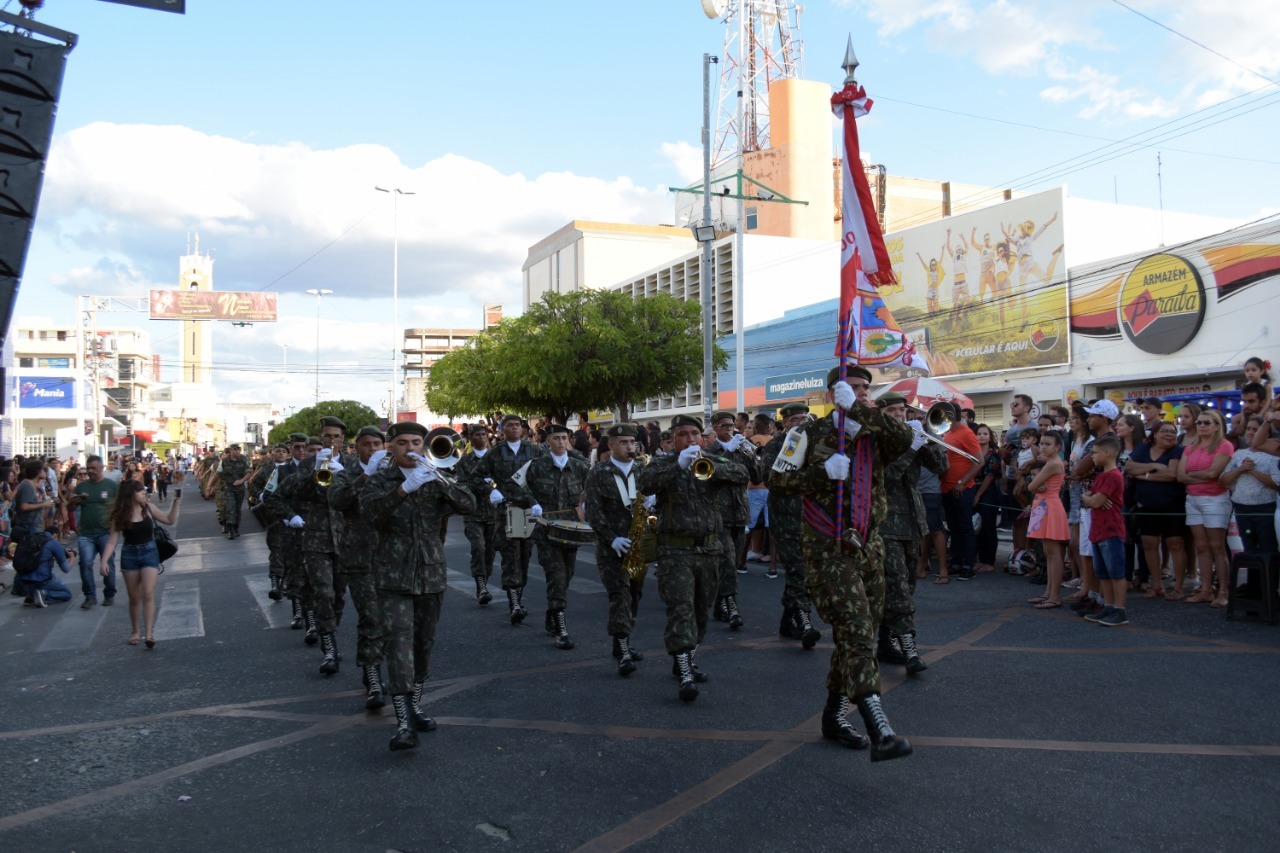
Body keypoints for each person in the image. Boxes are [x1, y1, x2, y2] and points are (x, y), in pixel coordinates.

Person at [768, 366, 914, 761]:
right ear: (832, 394)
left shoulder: (875, 431)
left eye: (865, 388)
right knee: (856, 629)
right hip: (826, 546)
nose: (861, 392)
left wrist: (863, 412)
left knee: (857, 635)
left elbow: (905, 439)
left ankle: (834, 716)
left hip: (869, 544)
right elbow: (777, 481)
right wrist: (821, 473)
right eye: (852, 387)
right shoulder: (806, 434)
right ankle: (880, 727)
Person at [359, 421, 475, 751]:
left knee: (423, 644)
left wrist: (440, 480)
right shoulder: (380, 480)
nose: (410, 448)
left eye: (415, 442)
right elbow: (370, 513)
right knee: (398, 646)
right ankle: (403, 722)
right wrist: (403, 490)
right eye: (402, 443)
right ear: (390, 447)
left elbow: (469, 504)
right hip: (393, 576)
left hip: (431, 574)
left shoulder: (436, 475)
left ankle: (415, 706)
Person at [638, 414, 748, 702]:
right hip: (675, 551)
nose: (689, 439)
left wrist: (712, 466)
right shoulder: (662, 463)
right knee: (681, 609)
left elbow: (743, 474)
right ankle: (685, 670)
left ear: (702, 437)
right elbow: (645, 483)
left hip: (709, 550)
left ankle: (686, 656)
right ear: (673, 439)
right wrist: (678, 465)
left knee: (701, 611)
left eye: (694, 434)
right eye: (682, 434)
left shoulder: (711, 459)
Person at [877, 392, 945, 674]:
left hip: (913, 522)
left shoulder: (911, 437)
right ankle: (909, 648)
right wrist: (910, 450)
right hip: (886, 524)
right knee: (898, 589)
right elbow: (884, 478)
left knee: (906, 585)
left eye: (901, 410)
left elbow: (941, 467)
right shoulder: (876, 440)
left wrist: (926, 440)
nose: (898, 415)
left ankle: (885, 642)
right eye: (891, 411)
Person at [276, 417, 351, 672]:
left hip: (346, 539)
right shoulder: (309, 463)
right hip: (316, 539)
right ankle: (329, 648)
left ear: (342, 439)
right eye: (326, 436)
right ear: (321, 436)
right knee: (323, 593)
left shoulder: (351, 464)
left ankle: (331, 633)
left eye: (336, 436)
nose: (331, 441)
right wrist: (313, 472)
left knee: (338, 595)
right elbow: (286, 491)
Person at [506, 423, 590, 650]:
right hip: (546, 531)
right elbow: (515, 486)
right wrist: (532, 502)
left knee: (567, 575)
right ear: (547, 441)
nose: (561, 442)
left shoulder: (579, 465)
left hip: (570, 529)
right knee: (556, 576)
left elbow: (594, 488)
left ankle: (553, 611)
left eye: (564, 438)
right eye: (556, 438)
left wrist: (586, 506)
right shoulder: (537, 465)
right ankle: (561, 628)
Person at [329, 425, 390, 711]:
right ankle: (373, 675)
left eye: (377, 443)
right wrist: (366, 476)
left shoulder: (394, 471)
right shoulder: (346, 473)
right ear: (356, 448)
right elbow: (337, 500)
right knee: (371, 617)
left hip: (394, 555)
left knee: (395, 621)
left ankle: (390, 671)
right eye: (366, 444)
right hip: (360, 556)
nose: (373, 449)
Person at [584, 423, 652, 675]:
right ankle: (623, 649)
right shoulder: (598, 473)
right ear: (610, 444)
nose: (629, 447)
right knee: (620, 595)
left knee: (634, 594)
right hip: (611, 548)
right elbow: (594, 511)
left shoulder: (643, 469)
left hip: (638, 545)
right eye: (623, 442)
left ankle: (622, 641)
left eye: (632, 442)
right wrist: (611, 538)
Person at [470, 413, 546, 623]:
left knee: (524, 556)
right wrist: (490, 491)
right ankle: (514, 603)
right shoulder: (495, 453)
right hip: (507, 511)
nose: (515, 428)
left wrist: (541, 501)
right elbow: (475, 477)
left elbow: (545, 476)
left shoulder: (535, 450)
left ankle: (518, 599)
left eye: (518, 425)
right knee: (510, 556)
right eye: (510, 425)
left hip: (529, 510)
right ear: (502, 429)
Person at [761, 403, 822, 647]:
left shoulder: (815, 444)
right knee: (798, 570)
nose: (800, 424)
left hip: (812, 516)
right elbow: (769, 479)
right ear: (784, 423)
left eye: (803, 419)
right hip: (785, 516)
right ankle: (804, 621)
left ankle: (788, 620)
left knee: (804, 570)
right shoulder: (775, 446)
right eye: (794, 420)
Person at [99, 479, 181, 648]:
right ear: (130, 494)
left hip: (149, 552)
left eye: (143, 490)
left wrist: (175, 503)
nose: (144, 492)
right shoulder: (121, 514)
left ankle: (149, 634)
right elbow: (112, 541)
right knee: (134, 597)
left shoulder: (148, 508)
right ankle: (135, 631)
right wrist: (104, 561)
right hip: (129, 554)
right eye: (139, 491)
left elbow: (169, 520)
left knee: (148, 593)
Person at [705, 410, 763, 630]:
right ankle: (731, 605)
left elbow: (757, 477)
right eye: (724, 426)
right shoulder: (708, 452)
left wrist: (750, 455)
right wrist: (729, 454)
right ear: (714, 428)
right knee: (727, 560)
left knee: (733, 561)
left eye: (731, 425)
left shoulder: (741, 448)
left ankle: (720, 604)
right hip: (718, 514)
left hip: (739, 512)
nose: (729, 429)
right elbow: (717, 475)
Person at [1176, 409, 1234, 607]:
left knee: (1217, 546)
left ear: (1217, 426)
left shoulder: (1224, 445)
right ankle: (1206, 589)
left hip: (1215, 498)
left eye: (1207, 422)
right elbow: (1180, 476)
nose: (1201, 426)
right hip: (1192, 498)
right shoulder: (1190, 448)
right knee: (1201, 546)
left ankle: (1223, 591)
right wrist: (1202, 475)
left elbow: (1213, 474)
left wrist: (1193, 474)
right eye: (1199, 422)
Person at [1126, 422, 1187, 599]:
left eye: (1173, 432)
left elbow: (1171, 475)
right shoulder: (1144, 449)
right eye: (1164, 431)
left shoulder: (1177, 451)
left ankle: (1179, 588)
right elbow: (1129, 467)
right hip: (1146, 505)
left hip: (1172, 504)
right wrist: (1154, 467)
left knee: (1175, 543)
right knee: (1149, 543)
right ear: (1154, 434)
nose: (1169, 434)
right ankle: (1157, 585)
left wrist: (1142, 475)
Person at [1081, 436, 1129, 626]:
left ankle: (1120, 609)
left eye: (1095, 453)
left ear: (1107, 453)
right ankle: (1108, 605)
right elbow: (1092, 498)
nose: (1092, 456)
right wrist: (1090, 498)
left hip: (1111, 529)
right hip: (1098, 529)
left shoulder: (1114, 476)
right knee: (1103, 573)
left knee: (1116, 572)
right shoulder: (1101, 476)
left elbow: (1095, 501)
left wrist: (1091, 498)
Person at [455, 424, 501, 606]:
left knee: (489, 551)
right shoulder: (464, 462)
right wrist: (483, 485)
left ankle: (484, 582)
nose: (482, 438)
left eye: (484, 434)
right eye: (477, 435)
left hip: (494, 512)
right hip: (474, 512)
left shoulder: (496, 458)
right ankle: (480, 585)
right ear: (470, 438)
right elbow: (462, 486)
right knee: (478, 547)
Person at [1220, 416, 1279, 554]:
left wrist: (1253, 471)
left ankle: (1268, 569)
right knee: (1249, 549)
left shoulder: (1274, 455)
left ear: (1266, 434)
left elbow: (1276, 483)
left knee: (1268, 548)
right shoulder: (1238, 454)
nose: (1251, 433)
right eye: (1248, 429)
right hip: (1241, 509)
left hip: (1265, 509)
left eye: (1255, 430)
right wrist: (1240, 469)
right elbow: (1223, 480)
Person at [1026, 431, 1069, 608]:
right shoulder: (1052, 462)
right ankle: (1049, 593)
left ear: (1057, 447)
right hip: (1045, 506)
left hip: (1049, 507)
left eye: (1047, 444)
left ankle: (1054, 595)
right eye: (1042, 443)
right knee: (1050, 553)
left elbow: (1031, 486)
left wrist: (1036, 482)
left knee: (1053, 554)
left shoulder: (1052, 464)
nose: (1043, 447)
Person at [70, 456, 119, 610]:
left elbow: (120, 507)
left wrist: (116, 526)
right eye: (88, 468)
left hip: (105, 532)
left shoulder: (112, 486)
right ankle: (89, 596)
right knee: (85, 563)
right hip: (86, 533)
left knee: (108, 563)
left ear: (101, 467)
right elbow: (70, 508)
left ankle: (109, 594)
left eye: (93, 468)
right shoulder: (81, 487)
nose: (90, 471)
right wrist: (73, 502)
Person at [941, 403, 983, 581]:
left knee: (965, 528)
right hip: (947, 488)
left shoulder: (966, 433)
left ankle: (968, 565)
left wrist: (962, 482)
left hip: (962, 489)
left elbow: (979, 461)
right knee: (953, 528)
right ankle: (956, 562)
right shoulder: (948, 433)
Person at [972, 424, 1004, 573]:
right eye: (979, 433)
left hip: (988, 491)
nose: (982, 436)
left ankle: (990, 561)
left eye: (985, 433)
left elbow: (990, 476)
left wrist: (978, 495)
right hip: (974, 488)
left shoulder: (993, 455)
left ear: (990, 437)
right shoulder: (973, 453)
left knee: (988, 526)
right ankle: (982, 558)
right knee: (978, 527)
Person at [16, 532, 75, 606]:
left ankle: (31, 594)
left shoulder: (29, 540)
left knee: (49, 576)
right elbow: (66, 569)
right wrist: (72, 557)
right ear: (55, 535)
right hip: (42, 578)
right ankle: (43, 594)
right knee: (67, 594)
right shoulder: (53, 543)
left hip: (24, 579)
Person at [1228, 383, 1267, 449]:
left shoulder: (1270, 420)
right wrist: (1234, 432)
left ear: (1262, 403)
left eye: (1251, 401)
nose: (1246, 405)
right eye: (1244, 402)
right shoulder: (1236, 420)